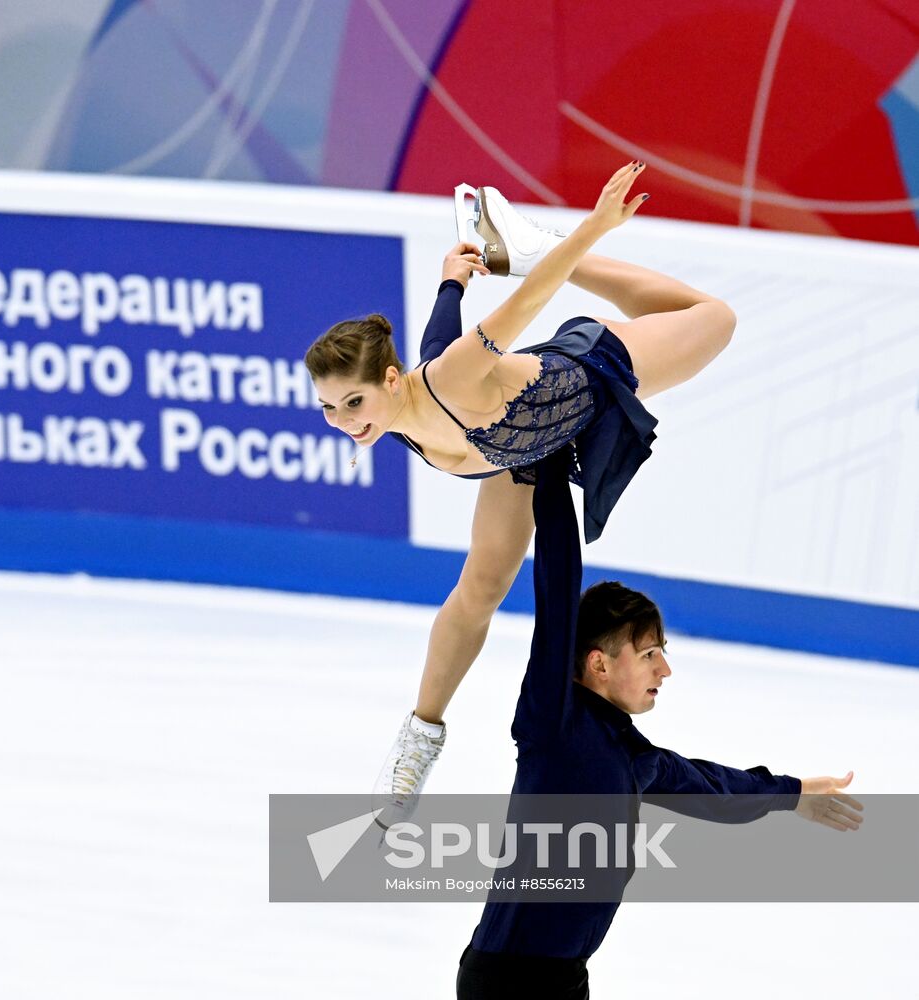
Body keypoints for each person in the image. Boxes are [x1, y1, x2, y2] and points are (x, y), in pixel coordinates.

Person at [305, 163, 735, 815]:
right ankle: (417, 745)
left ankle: (532, 239)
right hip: (524, 449)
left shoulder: (448, 379)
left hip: (591, 374)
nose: (343, 422)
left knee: (714, 317)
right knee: (479, 587)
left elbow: (529, 302)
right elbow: (437, 333)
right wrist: (452, 280)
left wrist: (589, 231)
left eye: (353, 401)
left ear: (391, 382)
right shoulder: (397, 410)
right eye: (329, 409)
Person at [453, 449, 862, 999]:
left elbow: (715, 790)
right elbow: (556, 583)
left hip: (563, 979)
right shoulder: (553, 724)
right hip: (507, 982)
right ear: (598, 662)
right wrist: (548, 466)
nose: (665, 670)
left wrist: (793, 794)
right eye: (649, 654)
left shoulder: (632, 755)